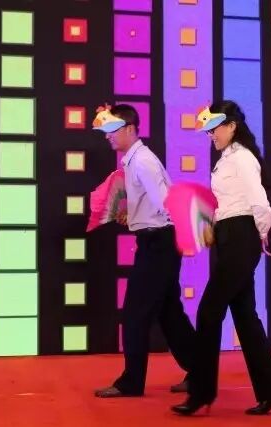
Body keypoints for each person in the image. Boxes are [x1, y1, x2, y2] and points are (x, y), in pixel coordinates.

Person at [172, 101, 271, 416]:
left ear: (232, 126)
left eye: (215, 129)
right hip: (230, 236)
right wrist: (213, 226)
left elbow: (260, 202)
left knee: (209, 312)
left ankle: (200, 393)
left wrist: (261, 234)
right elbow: (228, 203)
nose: (211, 135)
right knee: (245, 317)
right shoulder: (227, 159)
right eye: (209, 131)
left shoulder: (243, 158)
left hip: (241, 237)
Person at [91, 104, 196, 398]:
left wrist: (176, 231)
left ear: (129, 129)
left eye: (112, 130)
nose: (107, 136)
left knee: (135, 314)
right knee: (169, 313)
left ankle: (131, 382)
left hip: (159, 243)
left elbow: (167, 202)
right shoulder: (135, 160)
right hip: (159, 241)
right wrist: (135, 216)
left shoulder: (142, 162)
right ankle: (201, 372)